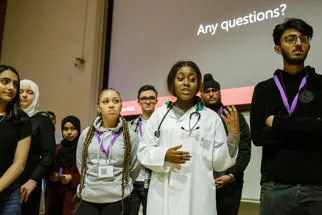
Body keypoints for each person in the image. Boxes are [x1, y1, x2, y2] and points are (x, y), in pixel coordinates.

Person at [137, 60, 240, 215]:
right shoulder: (159, 115)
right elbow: (144, 151)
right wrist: (164, 155)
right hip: (163, 194)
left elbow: (219, 163)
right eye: (181, 79)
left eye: (192, 79)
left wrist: (233, 136)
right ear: (172, 83)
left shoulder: (210, 118)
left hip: (197, 195)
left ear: (198, 85)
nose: (186, 83)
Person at [250, 18, 322, 215]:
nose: (298, 43)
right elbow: (258, 136)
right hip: (275, 187)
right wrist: (308, 127)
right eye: (290, 39)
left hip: (316, 187)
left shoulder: (320, 85)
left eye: (303, 38)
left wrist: (280, 122)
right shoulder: (264, 89)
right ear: (278, 48)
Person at [76, 88, 140, 215]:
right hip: (89, 196)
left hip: (117, 198)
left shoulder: (131, 136)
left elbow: (134, 167)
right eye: (105, 102)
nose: (111, 105)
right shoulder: (86, 134)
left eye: (115, 101)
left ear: (121, 106)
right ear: (98, 107)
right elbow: (81, 164)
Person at [201, 73, 251, 215]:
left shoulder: (233, 114)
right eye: (207, 92)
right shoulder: (198, 118)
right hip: (204, 183)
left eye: (214, 91)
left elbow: (245, 149)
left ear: (220, 93)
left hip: (231, 183)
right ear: (202, 95)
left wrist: (231, 175)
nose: (211, 94)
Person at [19, 79, 56, 215]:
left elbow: (49, 155)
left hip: (28, 182)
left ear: (36, 96)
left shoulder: (42, 120)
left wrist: (33, 180)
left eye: (29, 92)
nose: (24, 95)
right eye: (21, 91)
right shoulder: (8, 118)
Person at [0, 65, 31, 215]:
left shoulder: (22, 119)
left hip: (9, 193)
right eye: (5, 81)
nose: (11, 87)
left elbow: (19, 164)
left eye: (15, 84)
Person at [128, 85, 158, 215]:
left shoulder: (163, 125)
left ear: (157, 100)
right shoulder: (129, 126)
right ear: (138, 101)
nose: (148, 101)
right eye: (144, 98)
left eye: (151, 98)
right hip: (132, 180)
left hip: (154, 180)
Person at [46, 116, 81, 215]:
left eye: (73, 129)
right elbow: (48, 170)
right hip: (56, 196)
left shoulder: (83, 150)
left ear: (78, 129)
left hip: (74, 196)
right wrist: (52, 176)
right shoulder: (57, 149)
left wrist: (72, 178)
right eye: (66, 129)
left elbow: (89, 175)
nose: (69, 132)